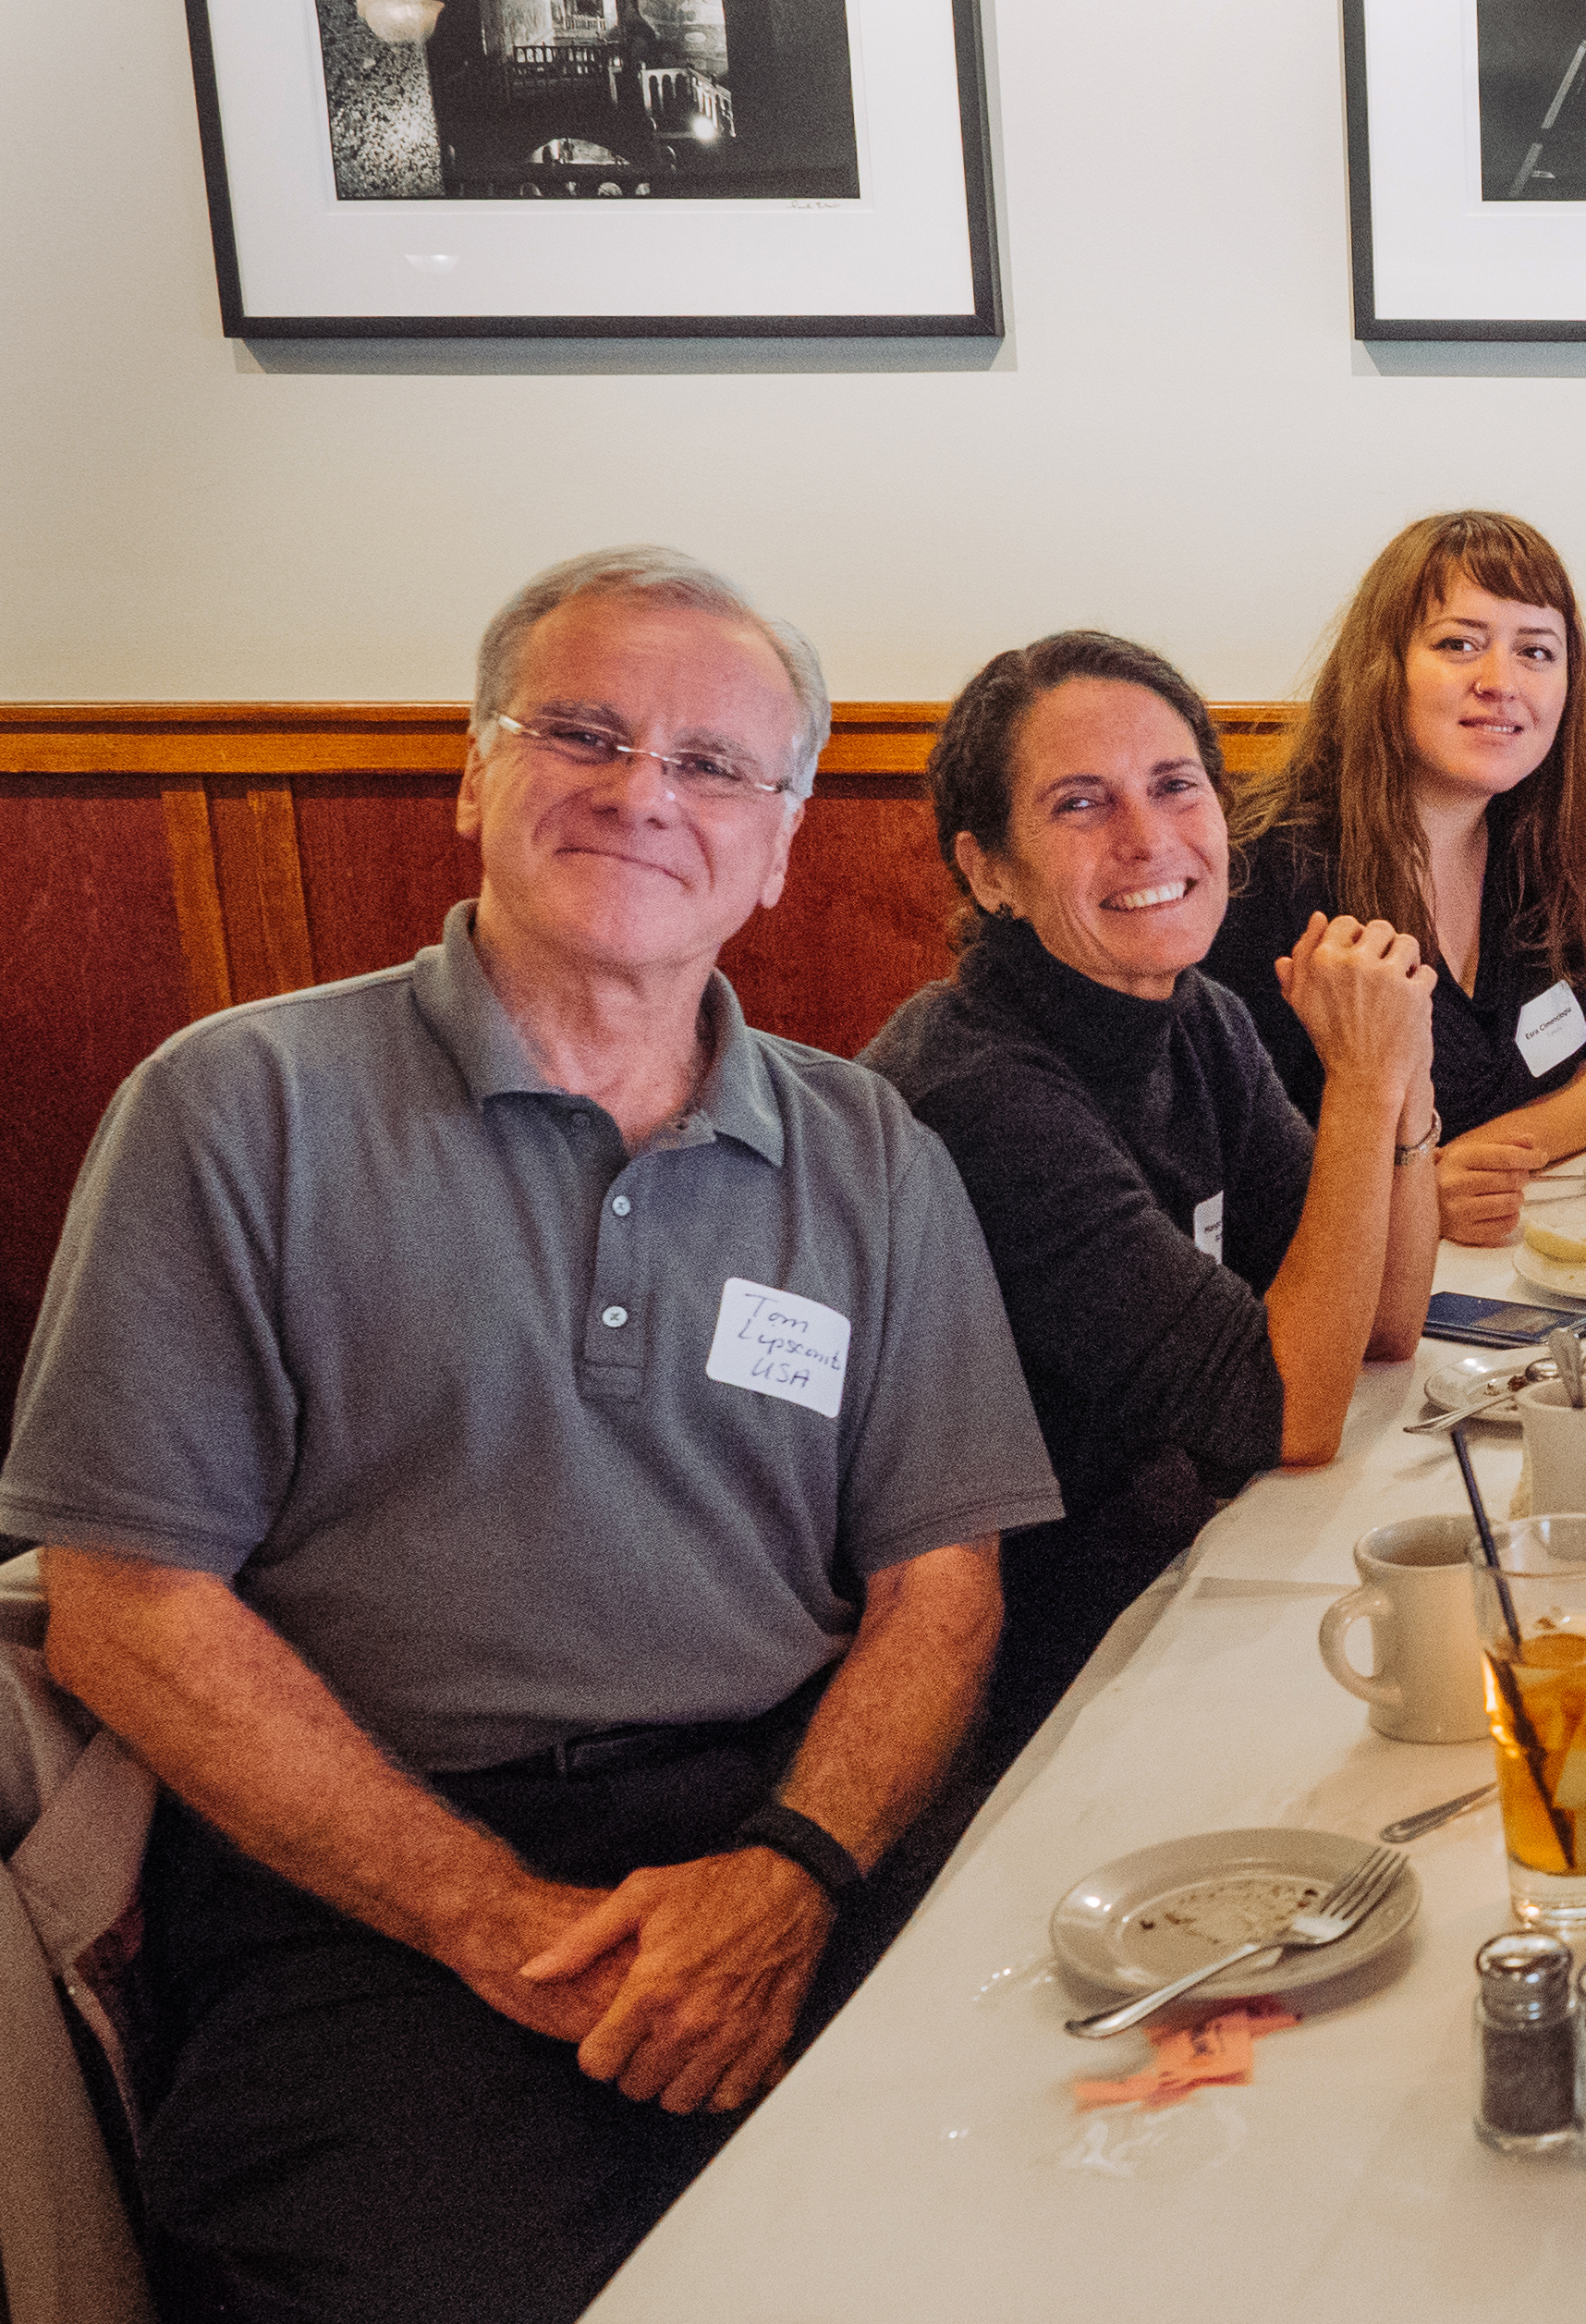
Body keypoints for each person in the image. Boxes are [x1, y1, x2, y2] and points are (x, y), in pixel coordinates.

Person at [0, 547, 1061, 2324]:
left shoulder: (872, 1150)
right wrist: (496, 1919)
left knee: (1075, 2214)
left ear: (783, 838)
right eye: (583, 730)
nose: (646, 789)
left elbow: (939, 1582)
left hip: (790, 1825)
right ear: (472, 777)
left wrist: (791, 1870)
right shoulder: (236, 1107)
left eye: (716, 764)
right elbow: (128, 1608)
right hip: (369, 1890)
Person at [862, 631, 1444, 1756]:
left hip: (1179, 1562)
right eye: (1080, 805)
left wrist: (1402, 1086)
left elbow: (1382, 1322)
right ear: (989, 872)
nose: (1148, 839)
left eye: (1175, 787)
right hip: (1028, 1671)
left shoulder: (1195, 1014)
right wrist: (1362, 1087)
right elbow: (1290, 1410)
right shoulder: (977, 1089)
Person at [1214, 510, 1586, 1247]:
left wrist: (1481, 1160)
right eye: (1459, 644)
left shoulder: (1556, 848)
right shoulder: (1262, 878)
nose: (1500, 682)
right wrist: (1409, 1196)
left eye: (1537, 651)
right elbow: (1234, 1165)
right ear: (1380, 667)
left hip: (1510, 1265)